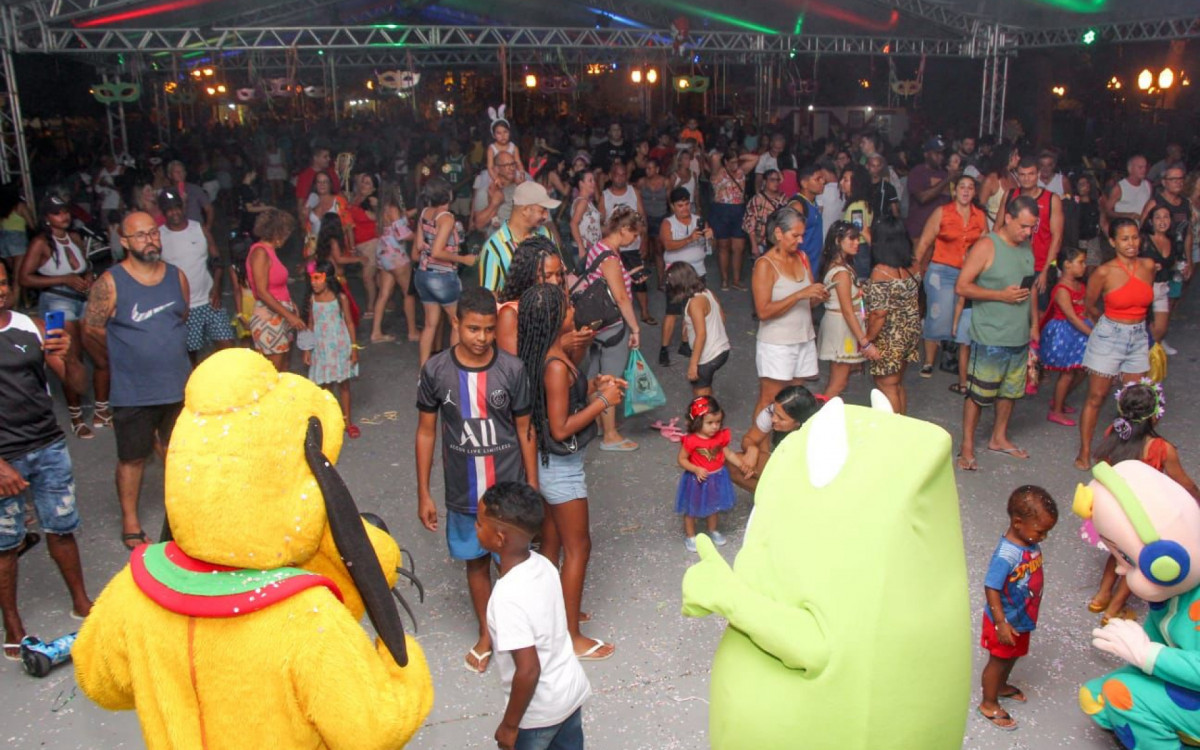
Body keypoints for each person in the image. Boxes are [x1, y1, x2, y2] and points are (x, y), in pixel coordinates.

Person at [417, 286, 537, 675]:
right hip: (464, 493)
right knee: (475, 564)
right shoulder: (435, 371)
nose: (482, 338)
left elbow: (525, 430)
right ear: (456, 324)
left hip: (507, 493)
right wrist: (424, 492)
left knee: (514, 565)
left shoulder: (512, 370)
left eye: (488, 329)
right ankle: (487, 634)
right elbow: (426, 433)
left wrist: (532, 487)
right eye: (473, 329)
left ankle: (520, 635)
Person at [517, 283, 622, 660]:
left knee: (551, 545)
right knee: (579, 547)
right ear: (552, 321)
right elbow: (561, 427)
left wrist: (594, 386)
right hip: (561, 467)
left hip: (546, 463)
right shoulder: (556, 365)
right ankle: (570, 636)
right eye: (565, 309)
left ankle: (554, 614)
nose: (573, 312)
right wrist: (603, 403)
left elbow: (557, 403)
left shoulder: (548, 355)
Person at [0, 261, 93, 661]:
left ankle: (81, 602)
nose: (0, 290)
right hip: (4, 457)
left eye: (3, 282)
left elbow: (75, 386)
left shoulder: (31, 326)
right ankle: (13, 627)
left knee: (62, 528)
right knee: (5, 545)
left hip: (48, 445)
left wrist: (70, 357)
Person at [82, 211, 191, 549]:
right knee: (132, 457)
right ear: (125, 241)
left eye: (153, 233)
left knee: (182, 452)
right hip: (133, 392)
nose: (150, 240)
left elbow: (181, 318)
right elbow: (91, 331)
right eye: (140, 235)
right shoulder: (111, 283)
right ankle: (130, 519)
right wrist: (121, 361)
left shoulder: (177, 277)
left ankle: (187, 514)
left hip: (177, 386)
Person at [476, 482, 591, 750]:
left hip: (539, 713)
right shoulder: (544, 565)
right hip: (570, 692)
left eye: (480, 523)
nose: (476, 528)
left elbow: (528, 669)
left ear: (500, 538)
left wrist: (509, 725)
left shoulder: (506, 598)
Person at [1085, 380, 1199, 628]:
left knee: (1116, 551)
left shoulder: (1112, 433)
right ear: (1155, 416)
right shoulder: (1160, 448)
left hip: (1110, 510)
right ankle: (1113, 611)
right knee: (1135, 559)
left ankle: (1101, 596)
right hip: (1140, 516)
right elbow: (1184, 483)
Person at [955, 195, 1039, 471]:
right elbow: (962, 286)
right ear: (1008, 218)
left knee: (1010, 392)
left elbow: (1032, 288)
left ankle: (998, 438)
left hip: (1018, 334)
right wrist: (999, 296)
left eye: (1032, 227)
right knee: (979, 394)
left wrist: (1034, 323)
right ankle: (967, 446)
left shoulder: (1026, 246)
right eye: (1024, 226)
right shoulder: (987, 245)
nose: (1028, 233)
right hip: (991, 335)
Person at [19, 195, 111, 438]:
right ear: (47, 218)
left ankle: (101, 411)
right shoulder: (40, 242)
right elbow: (24, 278)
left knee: (100, 352)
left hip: (83, 300)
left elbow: (86, 266)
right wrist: (63, 279)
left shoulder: (75, 237)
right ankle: (76, 417)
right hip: (55, 303)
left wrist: (88, 276)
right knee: (70, 358)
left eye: (65, 211)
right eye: (57, 213)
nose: (64, 216)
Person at [1075, 218, 1156, 471]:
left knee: (1134, 400)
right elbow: (1089, 306)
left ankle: (1124, 452)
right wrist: (1110, 326)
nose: (1131, 243)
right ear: (1112, 242)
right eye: (1124, 239)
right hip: (1110, 334)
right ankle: (1085, 451)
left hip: (1138, 335)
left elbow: (1145, 302)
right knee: (1097, 396)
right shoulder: (1103, 272)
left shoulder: (1149, 265)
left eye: (1134, 237)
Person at [978, 485, 1058, 731]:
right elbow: (991, 586)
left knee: (1012, 656)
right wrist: (1001, 622)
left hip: (1022, 617)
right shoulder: (1007, 554)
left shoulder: (1029, 542)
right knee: (998, 661)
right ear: (1017, 522)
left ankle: (1002, 687)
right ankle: (988, 703)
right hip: (1005, 620)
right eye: (1041, 531)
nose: (1043, 537)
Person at [751, 207, 829, 421]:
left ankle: (783, 446)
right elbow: (763, 311)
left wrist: (818, 297)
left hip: (803, 338)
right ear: (778, 233)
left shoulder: (802, 257)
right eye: (795, 235)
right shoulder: (765, 265)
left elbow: (808, 302)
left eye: (802, 235)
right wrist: (800, 294)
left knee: (794, 401)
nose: (801, 240)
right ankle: (760, 449)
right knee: (769, 399)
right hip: (777, 344)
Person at [582, 207, 644, 452]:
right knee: (611, 379)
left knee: (595, 375)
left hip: (596, 324)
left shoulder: (598, 248)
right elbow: (620, 297)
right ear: (624, 230)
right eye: (634, 234)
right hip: (613, 325)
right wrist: (635, 328)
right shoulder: (610, 257)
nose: (635, 239)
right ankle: (610, 435)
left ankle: (596, 422)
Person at [915, 175, 987, 378]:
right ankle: (929, 361)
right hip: (941, 271)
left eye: (970, 188)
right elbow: (924, 243)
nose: (965, 191)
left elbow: (986, 246)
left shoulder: (979, 216)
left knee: (963, 317)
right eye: (962, 187)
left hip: (968, 273)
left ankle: (955, 358)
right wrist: (913, 273)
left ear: (974, 192)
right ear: (955, 190)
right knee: (937, 316)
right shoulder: (942, 213)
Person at [156, 188, 232, 364]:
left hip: (209, 300)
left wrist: (217, 287)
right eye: (169, 209)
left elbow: (217, 260)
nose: (174, 212)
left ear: (183, 207)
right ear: (163, 212)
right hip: (184, 308)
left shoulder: (199, 228)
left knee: (228, 349)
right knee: (191, 356)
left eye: (177, 207)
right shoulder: (159, 236)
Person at [862, 217, 921, 413]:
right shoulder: (912, 265)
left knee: (887, 386)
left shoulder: (881, 271)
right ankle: (903, 426)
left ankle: (894, 433)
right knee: (897, 384)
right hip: (908, 333)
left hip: (889, 336)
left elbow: (879, 313)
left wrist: (867, 340)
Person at [675, 396, 749, 552]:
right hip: (697, 480)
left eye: (718, 422)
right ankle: (690, 535)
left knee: (714, 506)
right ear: (697, 421)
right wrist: (695, 469)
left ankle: (713, 530)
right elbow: (681, 460)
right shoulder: (692, 441)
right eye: (710, 423)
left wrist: (741, 464)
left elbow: (728, 453)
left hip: (717, 477)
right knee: (691, 508)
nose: (715, 427)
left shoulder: (720, 437)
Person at [414, 177, 474, 367]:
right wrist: (464, 259)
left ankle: (423, 370)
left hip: (423, 274)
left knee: (430, 324)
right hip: (442, 277)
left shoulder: (425, 212)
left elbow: (418, 245)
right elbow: (438, 251)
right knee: (456, 321)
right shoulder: (446, 217)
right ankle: (455, 368)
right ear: (448, 195)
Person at [817, 221, 876, 399]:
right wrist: (864, 342)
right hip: (842, 328)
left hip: (842, 326)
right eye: (852, 239)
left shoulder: (843, 267)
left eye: (858, 239)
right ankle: (820, 419)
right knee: (838, 383)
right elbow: (848, 311)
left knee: (839, 380)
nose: (857, 243)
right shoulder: (842, 272)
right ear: (838, 240)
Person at [303, 260, 359, 438]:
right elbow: (310, 324)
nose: (314, 283)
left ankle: (347, 421)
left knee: (343, 385)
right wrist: (307, 349)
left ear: (328, 279)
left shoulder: (340, 298)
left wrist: (354, 348)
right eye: (312, 279)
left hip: (339, 345)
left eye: (318, 278)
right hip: (321, 347)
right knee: (325, 386)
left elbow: (349, 322)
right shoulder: (312, 299)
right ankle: (327, 422)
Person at [245, 208, 305, 372]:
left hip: (279, 314)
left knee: (283, 368)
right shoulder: (260, 252)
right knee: (272, 373)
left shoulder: (270, 251)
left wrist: (290, 304)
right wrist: (289, 315)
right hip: (269, 318)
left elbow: (276, 285)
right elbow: (262, 292)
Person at [659, 187, 712, 366]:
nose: (684, 208)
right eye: (680, 205)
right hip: (676, 273)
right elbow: (667, 244)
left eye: (687, 204)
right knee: (672, 311)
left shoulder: (699, 221)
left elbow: (711, 246)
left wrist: (711, 236)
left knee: (692, 310)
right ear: (673, 206)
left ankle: (684, 343)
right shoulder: (668, 223)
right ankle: (664, 348)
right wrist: (689, 239)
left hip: (698, 271)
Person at [733, 385, 821, 493]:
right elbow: (750, 438)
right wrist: (751, 448)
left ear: (799, 422)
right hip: (783, 461)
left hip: (809, 473)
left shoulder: (816, 431)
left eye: (781, 418)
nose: (773, 419)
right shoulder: (771, 412)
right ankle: (770, 499)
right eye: (774, 412)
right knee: (734, 463)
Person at [1039, 246, 1091, 427]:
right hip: (1065, 333)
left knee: (1082, 369)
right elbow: (1071, 316)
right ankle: (1056, 410)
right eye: (1081, 262)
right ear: (1067, 265)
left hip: (1078, 330)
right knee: (1067, 373)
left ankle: (1059, 400)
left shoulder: (1080, 285)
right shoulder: (1062, 289)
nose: (1084, 266)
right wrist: (1091, 333)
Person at [495, 236, 571, 356]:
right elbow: (514, 367)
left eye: (558, 274)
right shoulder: (510, 314)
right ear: (528, 275)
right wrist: (560, 345)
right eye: (548, 275)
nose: (556, 281)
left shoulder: (552, 307)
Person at [997, 157, 1063, 294]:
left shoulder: (1052, 199)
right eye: (1022, 174)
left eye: (1031, 174)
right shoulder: (1010, 195)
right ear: (1017, 175)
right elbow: (997, 228)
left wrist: (1045, 270)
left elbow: (1057, 237)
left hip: (1039, 266)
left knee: (1038, 312)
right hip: (1011, 262)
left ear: (1038, 174)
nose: (1026, 178)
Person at [480, 182, 559, 294]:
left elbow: (560, 273)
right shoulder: (494, 248)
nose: (546, 216)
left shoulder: (546, 234)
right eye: (542, 210)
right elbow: (490, 297)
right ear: (525, 210)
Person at [666, 261, 730, 398]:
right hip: (722, 349)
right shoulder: (707, 292)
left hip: (708, 355)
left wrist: (693, 364)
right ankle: (710, 416)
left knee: (700, 395)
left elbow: (701, 335)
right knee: (705, 387)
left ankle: (705, 418)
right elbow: (722, 318)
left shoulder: (694, 303)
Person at [599, 163, 651, 322]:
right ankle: (617, 313)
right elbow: (600, 223)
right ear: (610, 175)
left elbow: (642, 217)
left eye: (623, 174)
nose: (620, 178)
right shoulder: (605, 196)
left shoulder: (633, 192)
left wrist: (644, 241)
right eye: (617, 174)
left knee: (640, 279)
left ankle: (644, 312)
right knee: (615, 280)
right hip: (615, 247)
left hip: (634, 244)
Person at [707, 148, 759, 291]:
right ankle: (725, 280)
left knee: (739, 247)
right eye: (732, 162)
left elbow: (755, 159)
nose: (735, 165)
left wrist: (739, 156)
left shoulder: (742, 172)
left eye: (737, 162)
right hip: (721, 210)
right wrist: (726, 157)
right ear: (725, 162)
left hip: (738, 209)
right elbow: (715, 157)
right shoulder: (717, 173)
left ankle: (736, 280)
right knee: (723, 246)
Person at [372, 185, 418, 343]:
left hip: (383, 254)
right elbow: (402, 234)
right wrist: (420, 237)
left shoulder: (382, 209)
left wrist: (417, 210)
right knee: (409, 293)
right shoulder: (393, 208)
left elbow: (399, 218)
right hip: (396, 255)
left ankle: (376, 332)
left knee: (384, 294)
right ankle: (412, 332)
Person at [1140, 205, 1182, 352]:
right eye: (1158, 217)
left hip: (1162, 288)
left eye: (1166, 217)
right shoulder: (1143, 240)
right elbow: (1129, 261)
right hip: (1144, 289)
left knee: (1160, 330)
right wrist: (1147, 266)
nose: (1162, 221)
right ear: (1151, 221)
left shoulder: (1171, 239)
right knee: (1143, 331)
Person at [347, 172, 381, 320]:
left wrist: (375, 209)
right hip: (359, 243)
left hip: (371, 242)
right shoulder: (355, 198)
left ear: (374, 188)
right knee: (376, 276)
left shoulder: (372, 201)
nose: (363, 185)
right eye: (363, 182)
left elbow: (380, 219)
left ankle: (371, 307)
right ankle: (386, 302)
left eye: (367, 183)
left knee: (368, 277)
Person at [905, 136, 952, 241]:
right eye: (936, 153)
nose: (940, 157)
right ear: (926, 154)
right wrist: (947, 180)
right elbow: (922, 198)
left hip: (940, 232)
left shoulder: (945, 174)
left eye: (942, 154)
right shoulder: (917, 172)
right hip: (919, 231)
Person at [787, 164, 826, 271]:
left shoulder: (814, 203)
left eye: (822, 178)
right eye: (818, 179)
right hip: (801, 268)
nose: (823, 182)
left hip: (813, 266)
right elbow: (788, 240)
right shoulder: (798, 206)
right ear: (804, 183)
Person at [742, 169, 787, 258]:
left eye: (777, 180)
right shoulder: (757, 200)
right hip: (762, 243)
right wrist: (754, 246)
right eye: (772, 180)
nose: (776, 183)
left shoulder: (784, 199)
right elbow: (749, 225)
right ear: (765, 181)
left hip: (778, 243)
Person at [567, 170, 602, 270]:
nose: (593, 183)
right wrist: (581, 246)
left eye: (593, 180)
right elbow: (573, 224)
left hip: (590, 248)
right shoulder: (582, 202)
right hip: (585, 249)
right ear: (581, 184)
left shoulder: (586, 201)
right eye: (590, 181)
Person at [1104, 154, 1151, 226]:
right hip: (1125, 228)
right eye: (1140, 167)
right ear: (1130, 169)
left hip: (1143, 229)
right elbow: (1107, 211)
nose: (1144, 170)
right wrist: (1127, 215)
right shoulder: (1119, 188)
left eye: (1145, 167)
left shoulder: (1147, 185)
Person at [165, 160, 213, 231]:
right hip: (177, 230)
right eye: (176, 172)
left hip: (197, 228)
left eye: (182, 171)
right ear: (170, 175)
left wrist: (207, 227)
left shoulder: (195, 189)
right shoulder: (167, 193)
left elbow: (209, 209)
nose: (180, 174)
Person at [979, 144, 1019, 226]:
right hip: (991, 225)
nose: (1018, 158)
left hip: (1011, 226)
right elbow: (979, 209)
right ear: (1006, 157)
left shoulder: (1015, 176)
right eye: (1015, 155)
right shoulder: (991, 180)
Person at [294, 146, 340, 218]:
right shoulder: (305, 177)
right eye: (325, 157)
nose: (329, 159)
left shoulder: (331, 172)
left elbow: (338, 193)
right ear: (315, 158)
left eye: (329, 156)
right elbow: (301, 202)